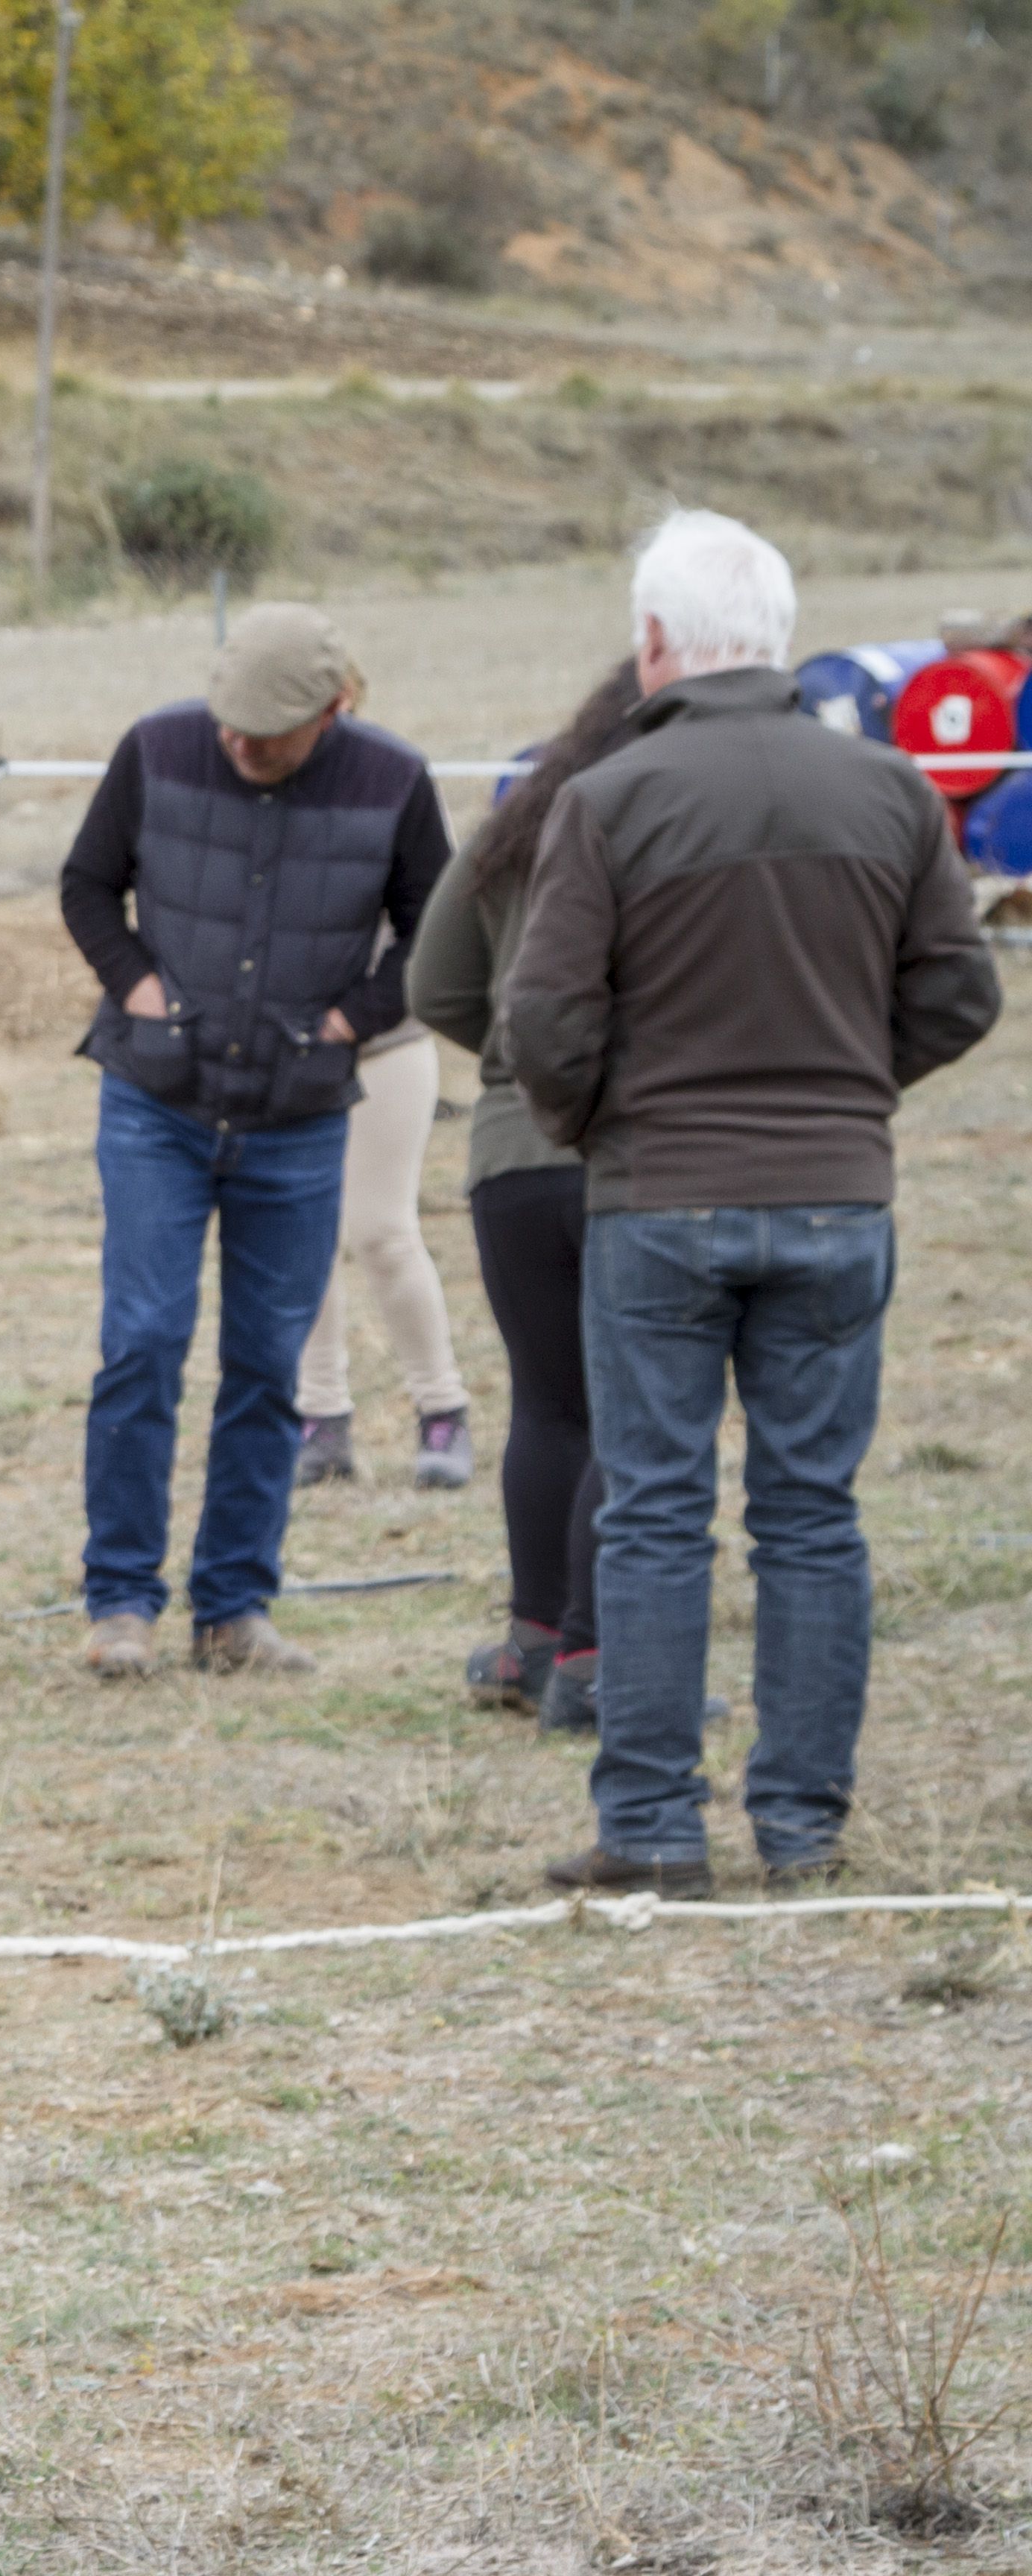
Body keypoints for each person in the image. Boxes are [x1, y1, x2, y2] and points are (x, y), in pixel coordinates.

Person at [506, 509, 1001, 1895]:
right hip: (837, 1197)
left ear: (654, 645)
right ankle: (797, 1825)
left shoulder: (605, 801)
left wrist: (598, 1123)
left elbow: (540, 1017)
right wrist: (850, 1086)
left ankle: (651, 1826)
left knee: (653, 1513)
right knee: (809, 1513)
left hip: (657, 1197)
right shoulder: (894, 792)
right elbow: (959, 994)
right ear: (774, 638)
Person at [58, 603, 454, 1679]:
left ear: (336, 711)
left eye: (269, 736)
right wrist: (140, 993)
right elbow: (88, 886)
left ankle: (234, 1607)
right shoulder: (155, 749)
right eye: (231, 726)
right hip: (157, 1104)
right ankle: (122, 1604)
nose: (241, 747)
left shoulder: (394, 783)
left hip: (296, 1116)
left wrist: (345, 1024)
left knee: (267, 1365)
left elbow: (441, 932)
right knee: (142, 1341)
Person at [407, 660, 642, 1726]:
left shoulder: (522, 819)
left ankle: (532, 1639)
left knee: (547, 1407)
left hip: (508, 1157)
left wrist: (511, 1066)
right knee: (627, 1414)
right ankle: (595, 1659)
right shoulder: (655, 818)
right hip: (625, 1154)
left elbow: (435, 984)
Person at [288, 856, 474, 1491]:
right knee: (303, 1236)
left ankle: (442, 1409)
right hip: (283, 1047)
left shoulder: (387, 790)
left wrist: (354, 1016)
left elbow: (430, 918)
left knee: (383, 1233)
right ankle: (321, 1416)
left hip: (386, 1044)